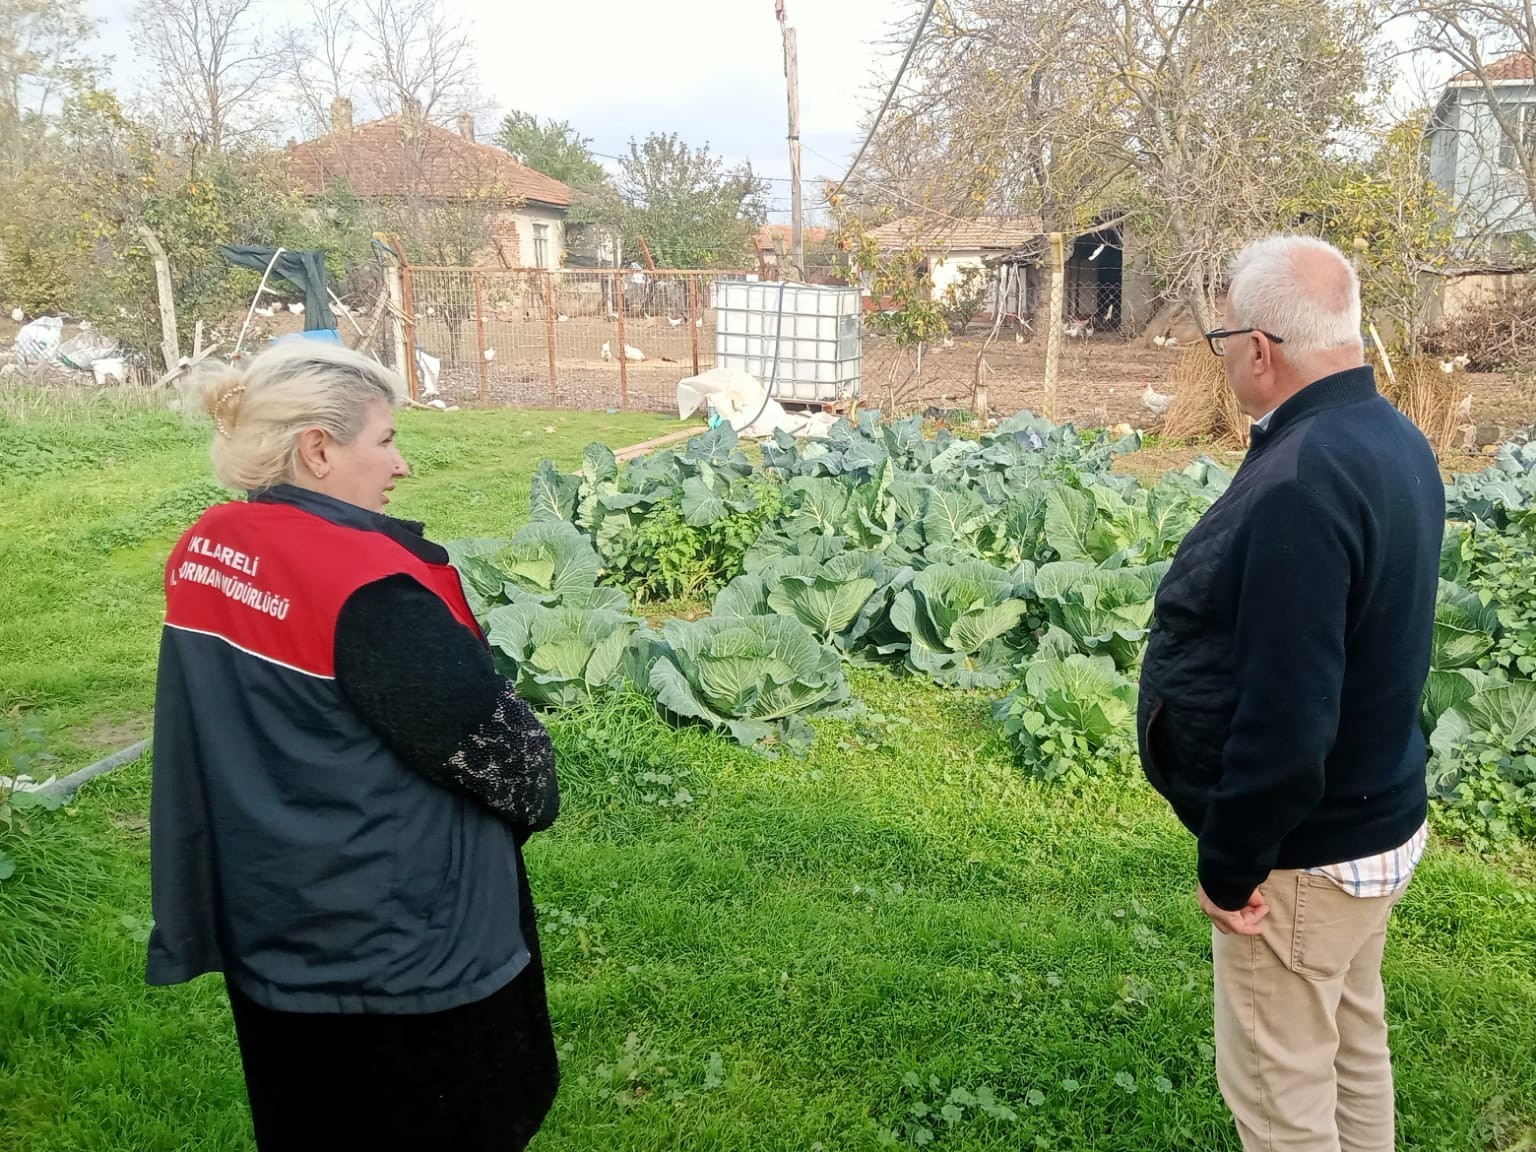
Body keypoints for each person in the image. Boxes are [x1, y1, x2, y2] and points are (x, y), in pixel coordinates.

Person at [148, 342, 561, 1151]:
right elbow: (507, 761)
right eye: (384, 439)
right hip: (399, 955)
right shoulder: (367, 589)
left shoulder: (209, 549)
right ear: (318, 448)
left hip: (274, 921)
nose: (400, 464)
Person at [1138, 235, 1443, 1152]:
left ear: (1261, 348)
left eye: (1223, 336)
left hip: (1304, 863)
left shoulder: (1302, 479)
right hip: (1374, 825)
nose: (1226, 355)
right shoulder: (1393, 438)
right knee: (1352, 1051)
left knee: (1282, 1101)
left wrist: (1231, 864)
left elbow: (1287, 715)